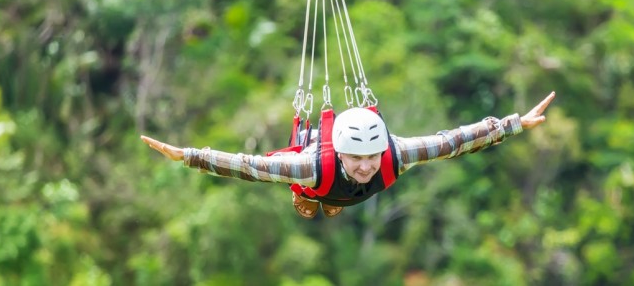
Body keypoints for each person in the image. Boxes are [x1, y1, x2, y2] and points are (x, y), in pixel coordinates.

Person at [142, 91, 555, 218]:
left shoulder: (396, 154)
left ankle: (328, 202)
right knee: (312, 193)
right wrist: (190, 156)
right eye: (356, 159)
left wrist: (514, 123)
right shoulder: (308, 165)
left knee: (348, 190)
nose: (366, 165)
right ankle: (309, 199)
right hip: (317, 184)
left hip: (336, 187)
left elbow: (453, 141)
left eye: (371, 157)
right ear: (340, 154)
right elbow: (250, 166)